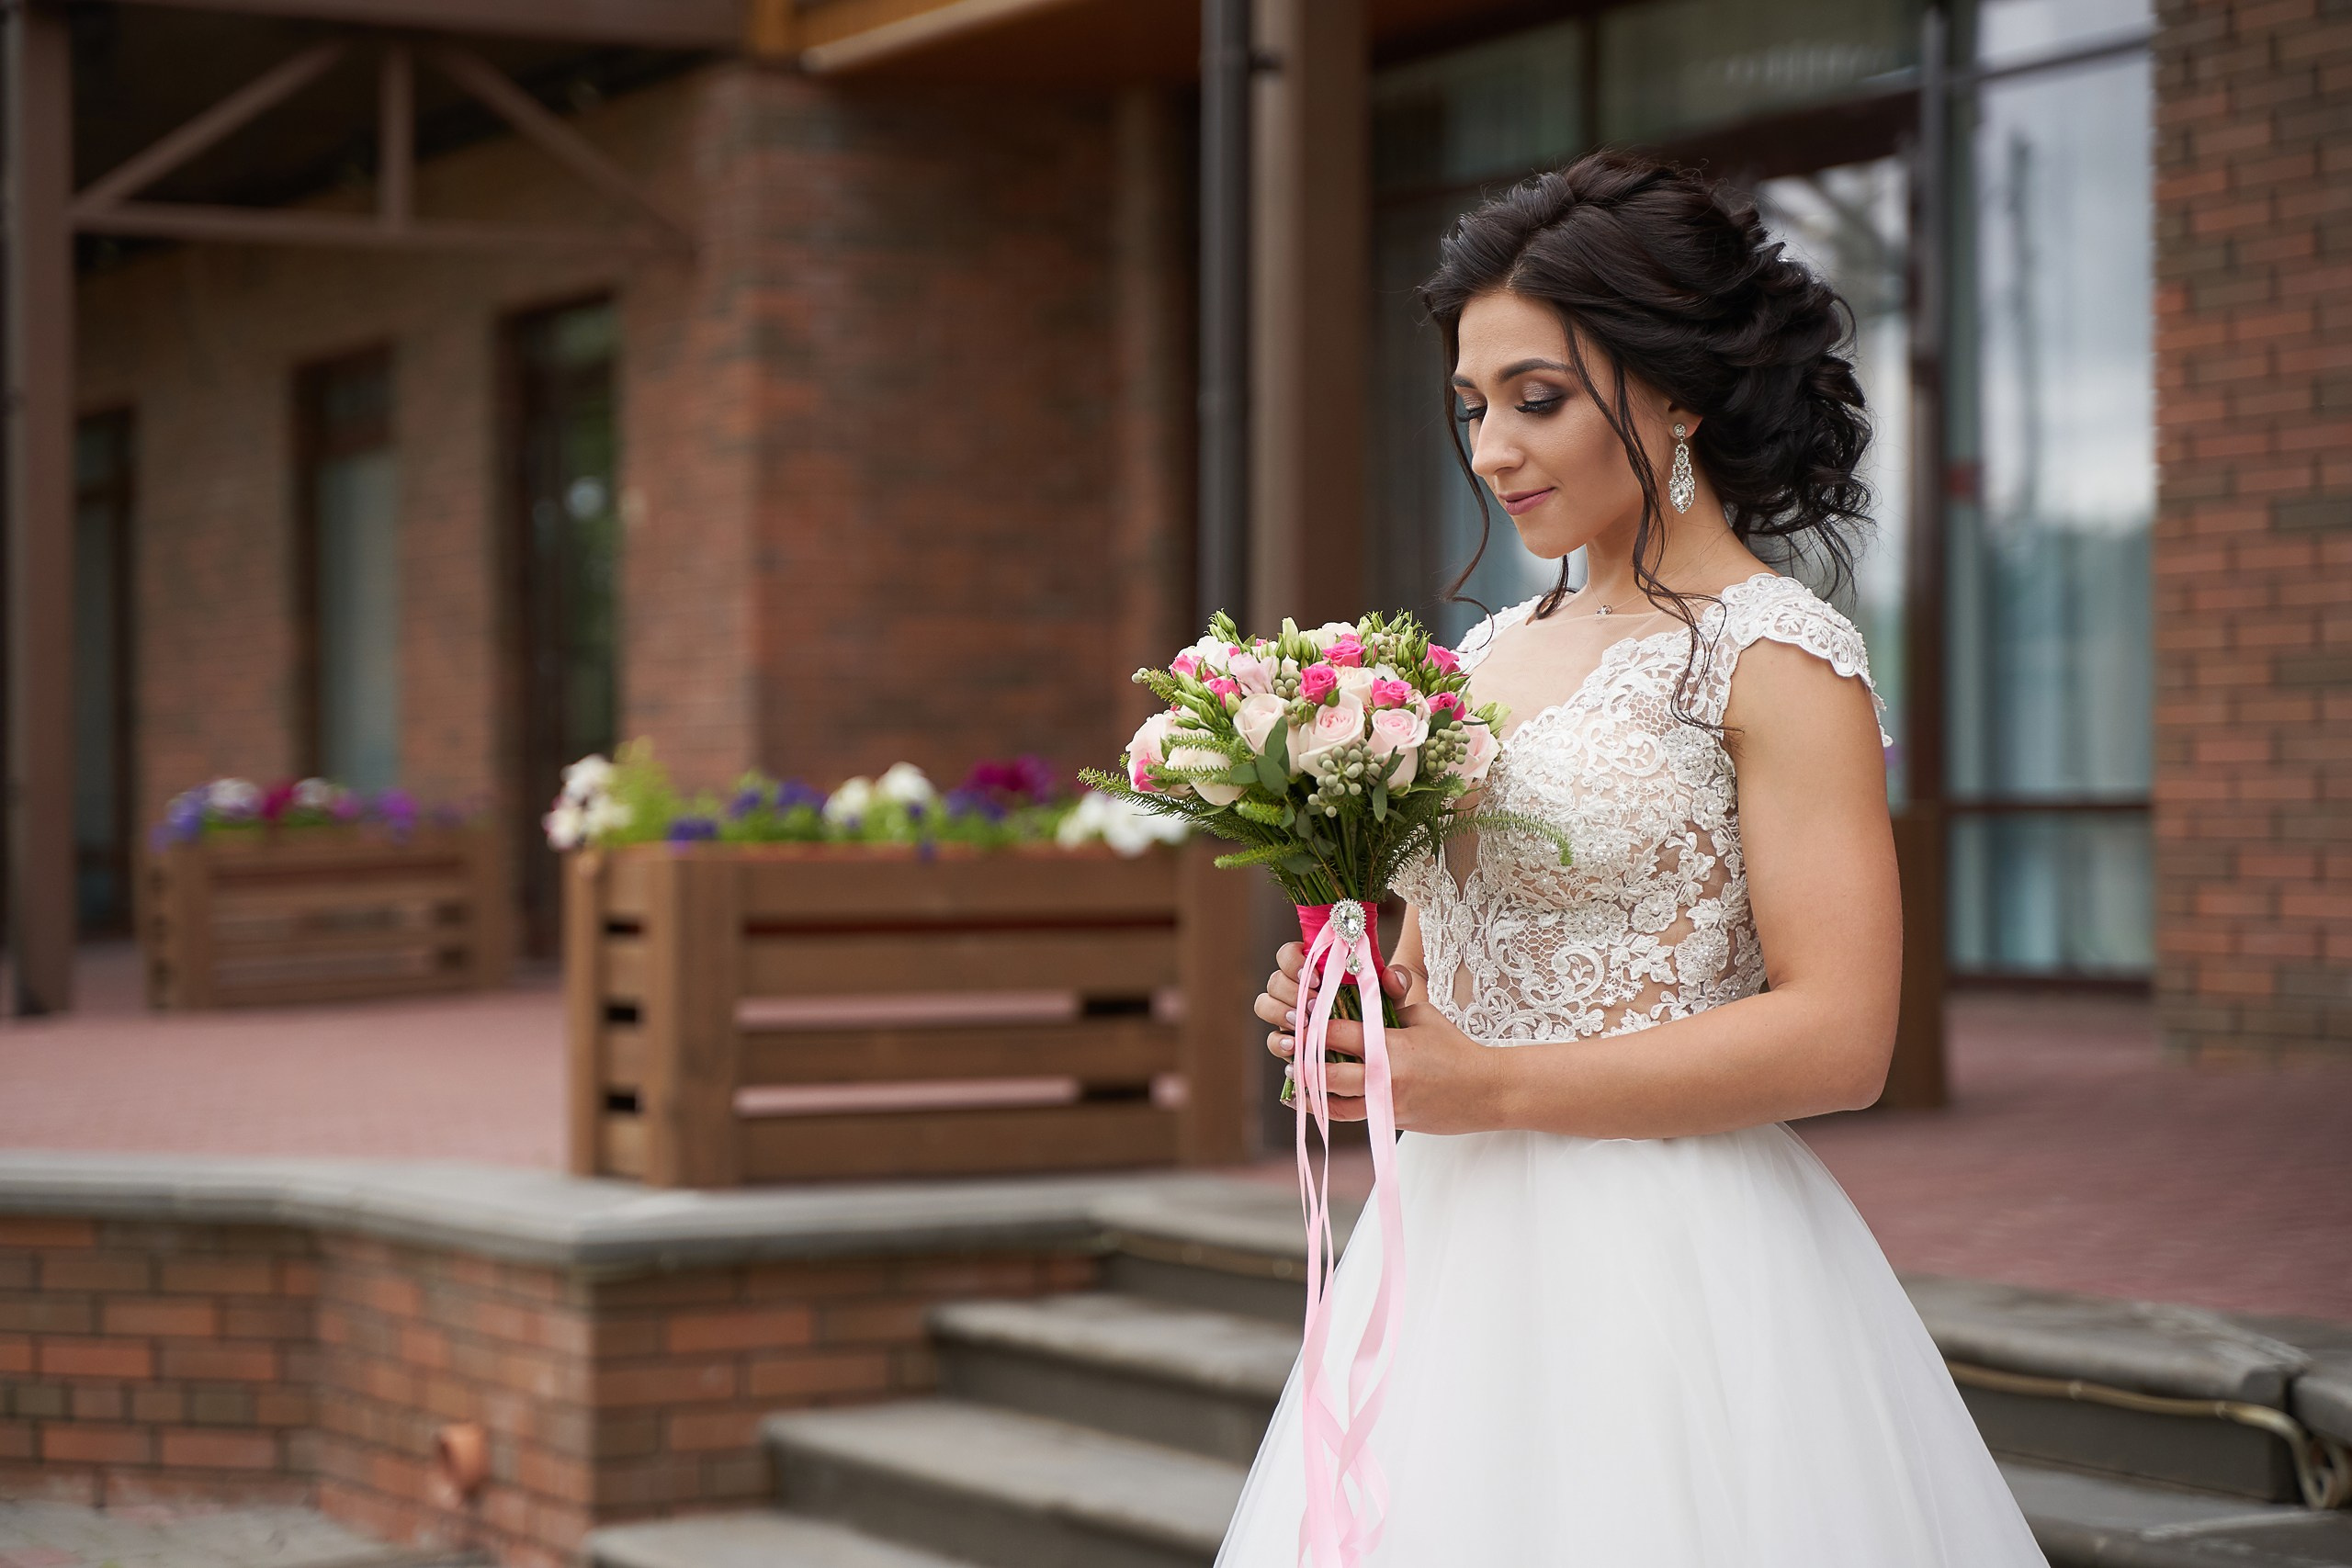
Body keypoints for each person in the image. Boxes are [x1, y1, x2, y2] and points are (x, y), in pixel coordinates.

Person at [1215, 150, 2046, 1566]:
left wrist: (1494, 1086)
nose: (1490, 451)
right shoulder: (1478, 658)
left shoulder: (1780, 656)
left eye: (1537, 400)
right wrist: (1357, 1004)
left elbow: (1845, 1040)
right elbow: (1443, 970)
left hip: (1679, 1262)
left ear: (1673, 390)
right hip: (1455, 1266)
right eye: (1474, 407)